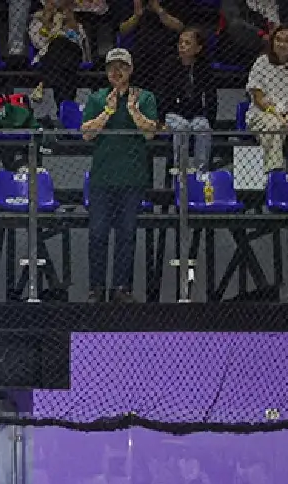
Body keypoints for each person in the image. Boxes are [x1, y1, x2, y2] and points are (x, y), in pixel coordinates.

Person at [80, 47, 157, 304]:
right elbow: (87, 133)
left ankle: (122, 287)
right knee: (98, 233)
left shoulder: (145, 97)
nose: (117, 71)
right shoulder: (96, 98)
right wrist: (109, 112)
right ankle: (96, 288)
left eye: (122, 66)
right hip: (103, 177)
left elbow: (149, 132)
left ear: (131, 70)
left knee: (127, 233)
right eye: (112, 66)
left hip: (133, 178)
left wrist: (133, 110)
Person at [246, 25, 288, 173]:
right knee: (274, 126)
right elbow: (258, 97)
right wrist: (278, 117)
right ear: (272, 42)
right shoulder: (261, 62)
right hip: (265, 113)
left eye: (287, 41)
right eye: (278, 39)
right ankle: (274, 171)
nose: (281, 44)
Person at [154, 26, 214, 175]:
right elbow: (160, 94)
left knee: (203, 127)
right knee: (182, 126)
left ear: (198, 48)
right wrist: (161, 120)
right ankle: (181, 171)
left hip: (195, 113)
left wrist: (210, 119)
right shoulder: (168, 65)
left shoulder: (204, 67)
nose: (182, 46)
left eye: (187, 43)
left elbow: (212, 96)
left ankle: (201, 172)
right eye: (180, 42)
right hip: (172, 113)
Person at [116, 0, 183, 77]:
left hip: (168, 50)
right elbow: (123, 30)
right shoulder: (137, 3)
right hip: (141, 50)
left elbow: (180, 27)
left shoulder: (173, 3)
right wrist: (137, 15)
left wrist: (159, 10)